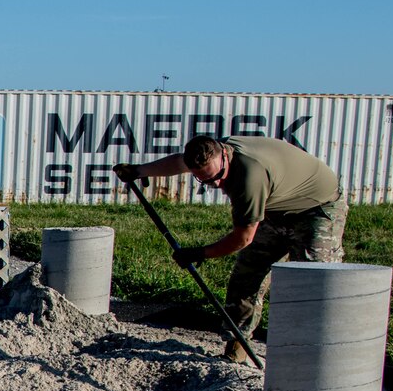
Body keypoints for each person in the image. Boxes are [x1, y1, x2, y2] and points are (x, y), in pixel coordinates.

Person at [117, 134, 346, 362]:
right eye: (204, 181)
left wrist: (200, 253)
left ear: (224, 156)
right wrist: (139, 171)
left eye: (217, 177)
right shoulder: (210, 152)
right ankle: (237, 347)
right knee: (246, 275)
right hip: (275, 207)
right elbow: (178, 162)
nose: (215, 184)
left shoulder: (249, 177)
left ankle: (323, 354)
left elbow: (242, 239)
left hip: (317, 208)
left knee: (315, 284)